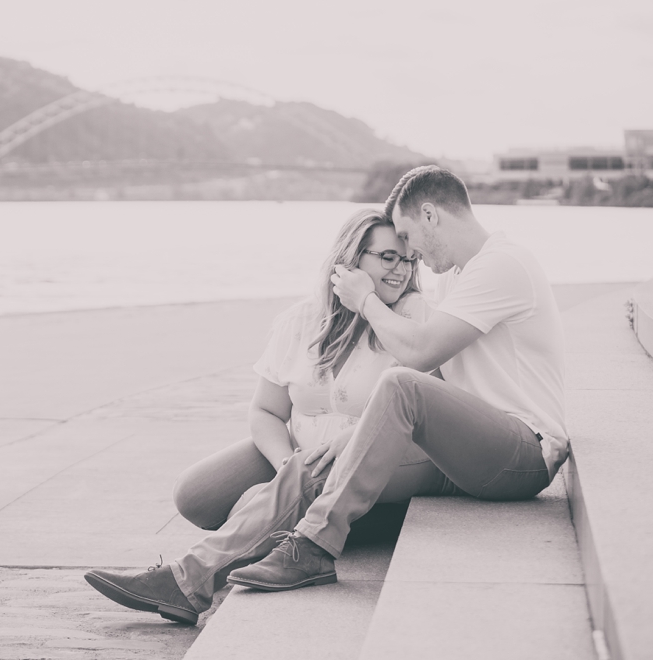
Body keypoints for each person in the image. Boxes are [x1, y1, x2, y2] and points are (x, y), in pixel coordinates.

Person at [84, 165, 568, 627]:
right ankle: (191, 581)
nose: (411, 255)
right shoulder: (460, 276)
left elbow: (419, 356)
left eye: (409, 239)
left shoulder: (501, 265)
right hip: (469, 446)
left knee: (396, 388)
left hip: (523, 446)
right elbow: (271, 409)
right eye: (393, 252)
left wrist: (365, 301)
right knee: (271, 473)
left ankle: (307, 547)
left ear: (429, 215)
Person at [170, 208, 429, 535]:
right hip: (299, 456)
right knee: (195, 494)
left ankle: (197, 572)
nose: (402, 271)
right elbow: (265, 410)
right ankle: (293, 519)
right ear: (351, 258)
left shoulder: (413, 317)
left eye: (409, 260)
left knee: (253, 501)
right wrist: (285, 467)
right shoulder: (301, 320)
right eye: (389, 257)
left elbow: (422, 410)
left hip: (368, 466)